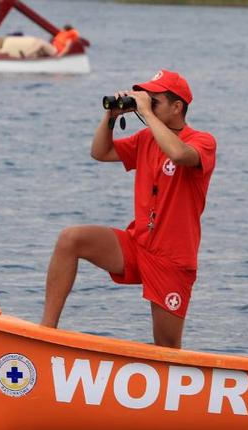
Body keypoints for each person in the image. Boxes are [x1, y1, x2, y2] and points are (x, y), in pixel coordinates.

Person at [40, 70, 217, 349]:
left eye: (154, 101)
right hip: (138, 244)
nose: (147, 105)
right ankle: (45, 334)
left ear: (176, 106)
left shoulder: (202, 141)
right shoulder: (146, 138)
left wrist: (147, 114)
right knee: (70, 239)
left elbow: (180, 155)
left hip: (171, 259)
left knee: (167, 348)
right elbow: (100, 152)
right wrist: (110, 118)